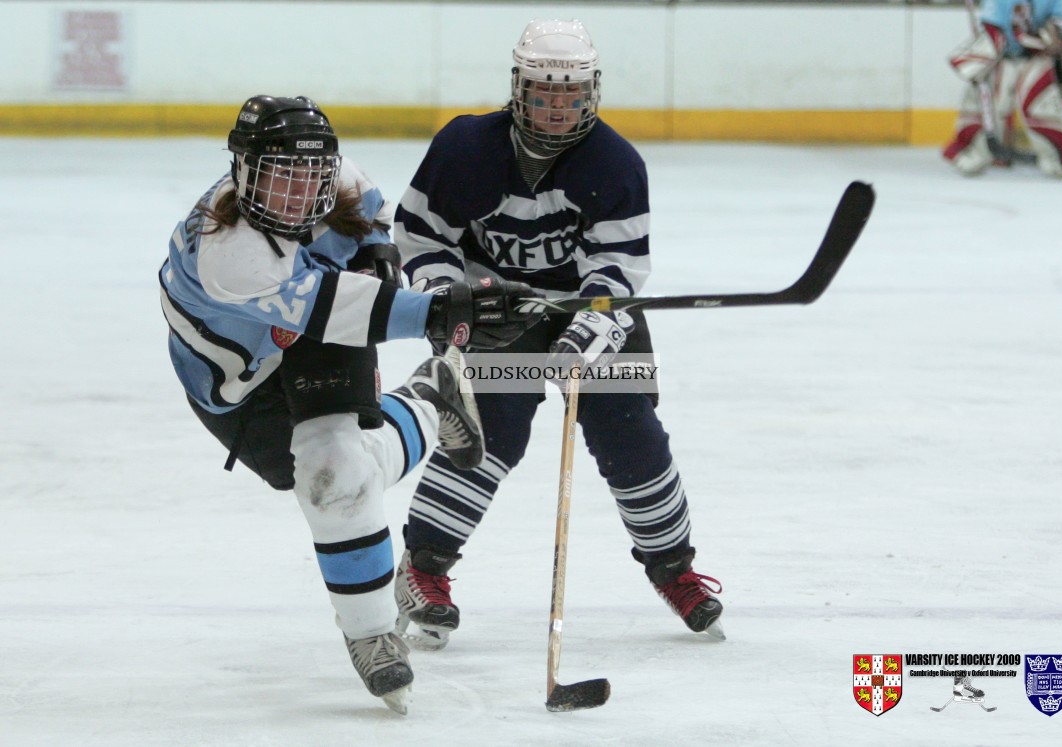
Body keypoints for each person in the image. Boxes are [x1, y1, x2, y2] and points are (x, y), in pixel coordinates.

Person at [158, 95, 538, 714]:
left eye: (309, 178)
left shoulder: (336, 177)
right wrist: (447, 309)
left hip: (314, 340)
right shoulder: (229, 251)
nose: (297, 195)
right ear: (243, 171)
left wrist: (378, 255)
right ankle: (426, 400)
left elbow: (371, 222)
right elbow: (333, 305)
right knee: (312, 476)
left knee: (333, 478)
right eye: (280, 179)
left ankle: (372, 634)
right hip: (236, 383)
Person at [391, 19, 725, 652]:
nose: (556, 106)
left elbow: (617, 269)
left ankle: (674, 571)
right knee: (489, 437)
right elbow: (420, 233)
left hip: (587, 313)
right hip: (498, 315)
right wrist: (450, 298)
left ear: (590, 92)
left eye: (569, 94)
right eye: (543, 93)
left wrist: (588, 326)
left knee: (630, 430)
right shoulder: (464, 147)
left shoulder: (616, 163)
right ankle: (423, 569)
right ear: (518, 89)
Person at [942, 0, 1062, 176]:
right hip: (1003, 55)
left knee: (1041, 103)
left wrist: (1051, 38)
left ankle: (1060, 156)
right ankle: (971, 152)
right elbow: (992, 28)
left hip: (1038, 56)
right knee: (989, 101)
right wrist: (981, 55)